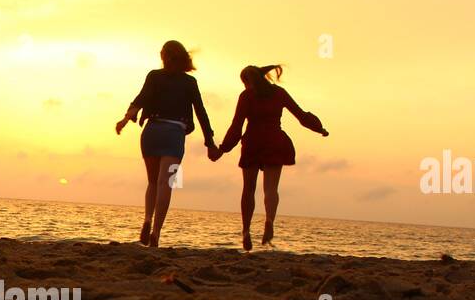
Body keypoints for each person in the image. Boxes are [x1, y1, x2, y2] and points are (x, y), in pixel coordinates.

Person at [212, 65, 328, 251]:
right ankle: (269, 221)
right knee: (271, 189)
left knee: (248, 189)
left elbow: (236, 126)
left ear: (247, 81)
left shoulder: (246, 96)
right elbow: (301, 115)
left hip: (253, 142)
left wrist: (222, 149)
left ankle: (246, 231)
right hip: (275, 141)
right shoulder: (279, 93)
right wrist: (319, 128)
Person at [116, 41, 219, 247]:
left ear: (165, 57)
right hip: (174, 135)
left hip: (151, 133)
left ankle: (146, 219)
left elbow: (141, 98)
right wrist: (210, 142)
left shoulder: (154, 76)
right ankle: (156, 231)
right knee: (167, 183)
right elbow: (200, 112)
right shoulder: (190, 82)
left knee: (153, 182)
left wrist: (126, 119)